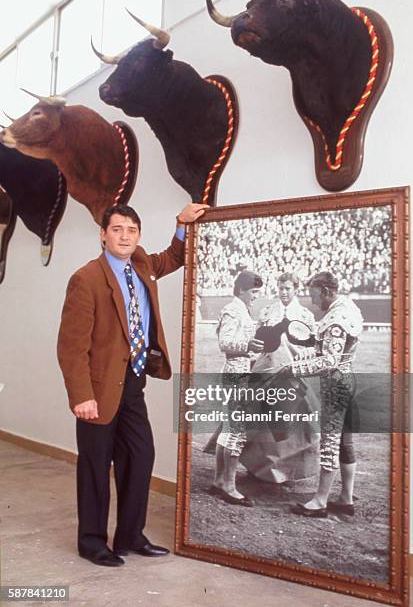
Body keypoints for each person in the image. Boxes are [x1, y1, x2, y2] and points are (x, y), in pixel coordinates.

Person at [57, 202, 207, 566]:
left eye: (132, 230)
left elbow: (175, 256)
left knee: (140, 457)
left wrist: (182, 224)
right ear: (103, 234)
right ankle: (92, 542)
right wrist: (82, 397)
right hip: (99, 389)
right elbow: (71, 346)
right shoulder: (87, 278)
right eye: (118, 229)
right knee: (95, 466)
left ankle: (130, 535)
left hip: (133, 383)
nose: (125, 236)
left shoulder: (140, 264)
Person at [280, 271, 363, 518]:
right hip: (347, 378)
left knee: (329, 442)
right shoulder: (347, 307)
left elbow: (329, 361)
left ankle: (320, 501)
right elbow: (328, 348)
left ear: (327, 291)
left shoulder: (336, 318)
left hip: (335, 383)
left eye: (316, 296)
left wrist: (293, 368)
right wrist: (308, 342)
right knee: (345, 441)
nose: (314, 302)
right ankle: (346, 498)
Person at [240, 272, 319, 483]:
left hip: (291, 375)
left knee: (290, 423)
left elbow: (312, 348)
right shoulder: (267, 311)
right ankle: (255, 468)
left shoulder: (305, 316)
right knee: (259, 421)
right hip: (265, 370)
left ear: (295, 290)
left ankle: (287, 472)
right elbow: (256, 341)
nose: (283, 293)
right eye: (281, 288)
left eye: (288, 289)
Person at [208, 270, 264, 506]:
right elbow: (224, 343)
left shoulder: (240, 308)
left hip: (240, 369)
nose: (255, 296)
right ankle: (229, 486)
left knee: (229, 428)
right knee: (237, 430)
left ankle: (220, 480)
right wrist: (248, 344)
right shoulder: (233, 309)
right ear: (241, 289)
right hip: (236, 370)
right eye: (253, 292)